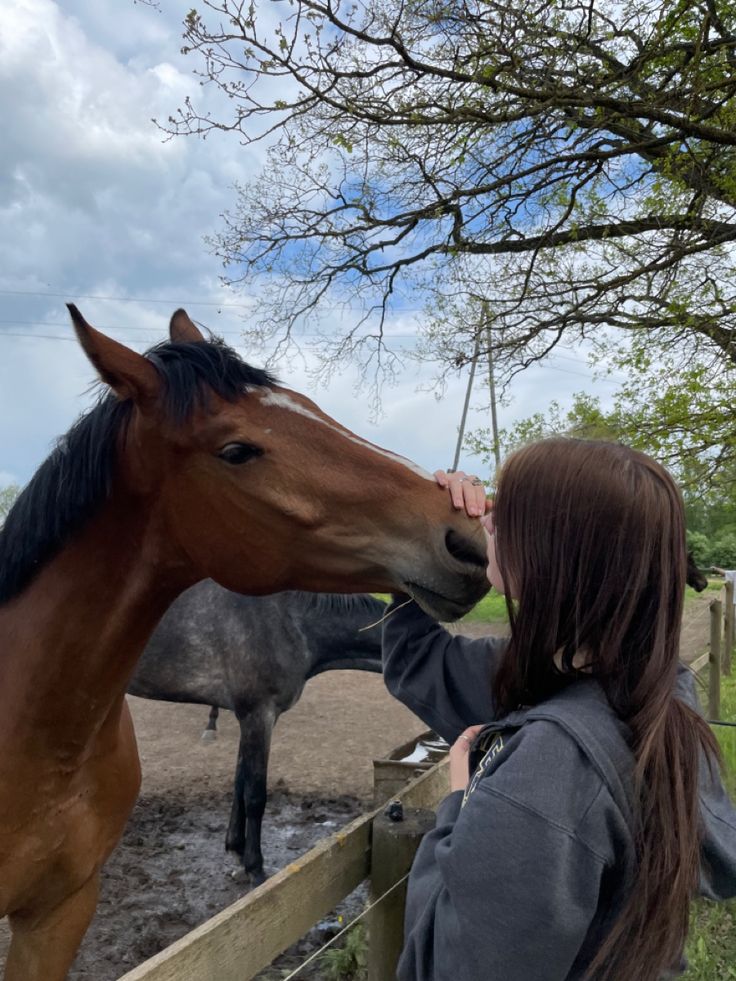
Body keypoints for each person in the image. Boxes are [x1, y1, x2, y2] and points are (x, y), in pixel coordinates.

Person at [382, 437, 736, 981]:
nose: (489, 520)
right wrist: (420, 539)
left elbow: (446, 967)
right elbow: (420, 661)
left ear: (554, 551)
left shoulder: (551, 769)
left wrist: (460, 803)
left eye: (509, 512)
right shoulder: (654, 688)